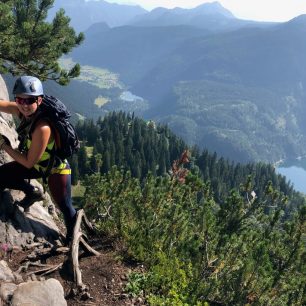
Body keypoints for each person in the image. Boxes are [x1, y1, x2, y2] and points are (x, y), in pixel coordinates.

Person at [0, 76, 76, 244]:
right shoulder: (22, 111)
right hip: (37, 165)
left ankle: (74, 237)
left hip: (55, 170)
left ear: (39, 100)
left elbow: (28, 162)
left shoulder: (42, 128)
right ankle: (32, 192)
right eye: (20, 99)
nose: (25, 105)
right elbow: (2, 105)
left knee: (65, 206)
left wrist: (4, 146)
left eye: (30, 100)